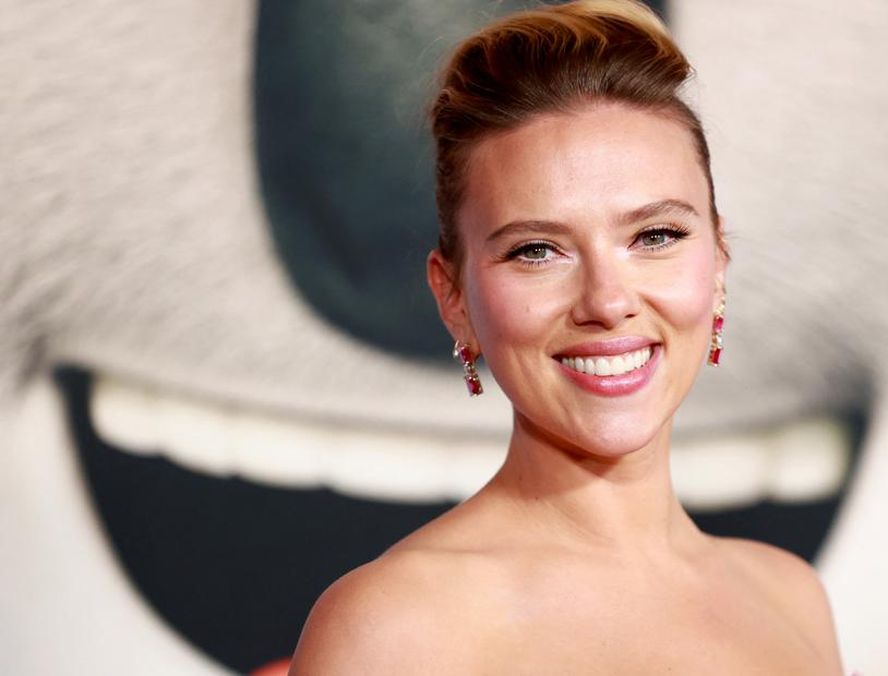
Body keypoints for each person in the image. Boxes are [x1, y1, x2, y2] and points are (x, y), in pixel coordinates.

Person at [290, 1, 843, 672]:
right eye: (536, 251)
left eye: (656, 235)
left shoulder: (790, 597)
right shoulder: (391, 628)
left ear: (719, 261)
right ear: (453, 297)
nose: (607, 302)